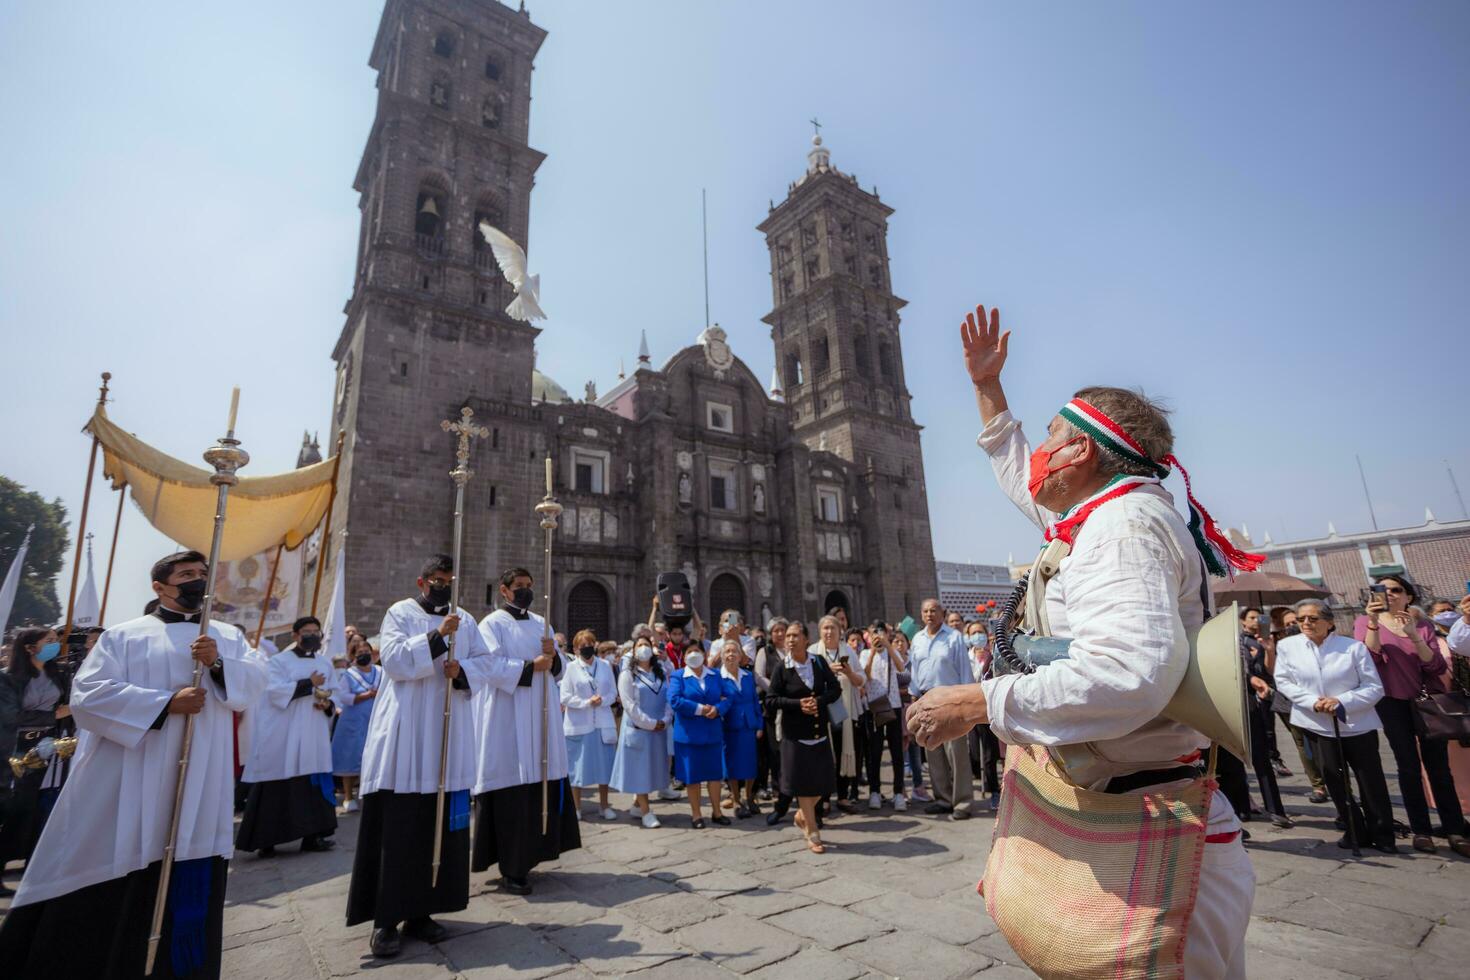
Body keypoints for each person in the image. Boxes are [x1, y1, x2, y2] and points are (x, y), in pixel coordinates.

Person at [909, 306, 1258, 977]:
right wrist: (988, 389)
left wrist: (979, 701)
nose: (1039, 452)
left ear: (1083, 452)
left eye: (1049, 437)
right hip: (1127, 808)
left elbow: (1129, 674)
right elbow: (1021, 477)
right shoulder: (1094, 516)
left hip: (1153, 828)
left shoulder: (1121, 528)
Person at [0, 550, 269, 979]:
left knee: (191, 871)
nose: (197, 580)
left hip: (201, 781)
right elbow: (88, 698)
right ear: (160, 587)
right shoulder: (124, 637)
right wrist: (166, 704)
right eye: (186, 574)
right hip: (134, 776)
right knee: (131, 880)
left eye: (202, 573)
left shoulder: (229, 636)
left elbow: (255, 683)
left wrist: (217, 663)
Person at [346, 554, 496, 959]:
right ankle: (385, 919)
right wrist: (435, 638)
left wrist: (460, 671)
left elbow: (485, 663)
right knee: (399, 826)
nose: (443, 586)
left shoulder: (465, 617)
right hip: (406, 736)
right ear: (421, 581)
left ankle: (423, 911)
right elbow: (392, 661)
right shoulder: (400, 613)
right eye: (436, 579)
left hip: (447, 736)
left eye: (449, 579)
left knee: (439, 825)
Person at [472, 567, 580, 896]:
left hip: (541, 717)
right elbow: (487, 665)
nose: (525, 591)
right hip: (508, 719)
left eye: (529, 586)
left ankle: (533, 855)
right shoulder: (491, 625)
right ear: (503, 590)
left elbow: (559, 667)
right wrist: (532, 666)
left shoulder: (541, 624)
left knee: (538, 787)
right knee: (512, 791)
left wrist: (553, 659)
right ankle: (511, 866)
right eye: (519, 586)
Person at [1357, 574, 1469, 856]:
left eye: (1396, 590)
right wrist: (1372, 622)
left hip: (1426, 701)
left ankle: (1454, 828)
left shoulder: (1422, 625)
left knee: (1439, 767)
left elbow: (1434, 666)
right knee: (1407, 766)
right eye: (1383, 590)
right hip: (1391, 702)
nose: (1390, 594)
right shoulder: (1363, 623)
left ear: (1409, 596)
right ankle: (1421, 830)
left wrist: (1414, 635)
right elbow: (1368, 659)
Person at [1274, 599, 1396, 852]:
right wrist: (1311, 702)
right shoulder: (1287, 646)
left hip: (1357, 724)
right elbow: (1284, 681)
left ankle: (1383, 833)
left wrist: (1341, 701)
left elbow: (1373, 687)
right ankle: (1354, 830)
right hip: (1316, 724)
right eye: (1301, 619)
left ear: (1329, 622)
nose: (1306, 623)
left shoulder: (1352, 648)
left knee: (1370, 781)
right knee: (1334, 780)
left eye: (1313, 618)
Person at [236, 616, 339, 857]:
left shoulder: (325, 663)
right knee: (277, 785)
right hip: (285, 733)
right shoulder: (279, 662)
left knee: (311, 781)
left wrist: (327, 705)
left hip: (313, 731)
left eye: (316, 631)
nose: (312, 635)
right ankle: (267, 840)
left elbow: (335, 693)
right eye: (307, 631)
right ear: (295, 635)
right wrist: (308, 683)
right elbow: (274, 692)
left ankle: (314, 837)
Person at [0, 627, 72, 889]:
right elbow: (11, 716)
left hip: (46, 748)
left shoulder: (58, 674)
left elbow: (67, 705)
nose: (55, 645)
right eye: (49, 641)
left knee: (31, 807)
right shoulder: (8, 679)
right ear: (29, 647)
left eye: (56, 640)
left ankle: (29, 863)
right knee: (10, 807)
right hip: (14, 748)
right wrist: (54, 716)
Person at [767, 620, 842, 853]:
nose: (790, 639)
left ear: (806, 639)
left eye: (795, 635)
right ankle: (813, 833)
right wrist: (798, 704)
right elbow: (771, 700)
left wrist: (818, 702)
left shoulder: (818, 662)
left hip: (819, 732)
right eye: (787, 636)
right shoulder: (782, 668)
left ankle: (802, 815)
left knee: (822, 782)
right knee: (803, 786)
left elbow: (835, 689)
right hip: (795, 735)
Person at [909, 598, 974, 819]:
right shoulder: (917, 639)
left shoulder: (954, 638)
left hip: (951, 701)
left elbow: (965, 671)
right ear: (921, 614)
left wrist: (966, 705)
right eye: (926, 611)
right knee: (933, 752)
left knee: (956, 754)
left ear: (942, 613)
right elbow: (915, 672)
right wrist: (914, 698)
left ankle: (962, 802)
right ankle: (943, 799)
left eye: (934, 610)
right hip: (926, 701)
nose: (929, 614)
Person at [610, 636, 674, 827]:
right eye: (640, 645)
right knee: (640, 772)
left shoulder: (660, 670)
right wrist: (650, 723)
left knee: (652, 769)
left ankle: (638, 804)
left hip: (659, 729)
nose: (644, 648)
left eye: (647, 645)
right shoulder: (627, 675)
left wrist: (665, 719)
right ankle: (646, 812)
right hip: (639, 729)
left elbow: (668, 698)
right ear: (633, 650)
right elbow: (630, 706)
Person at [1265, 607, 1327, 802]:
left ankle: (1336, 782)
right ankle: (1317, 784)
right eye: (1289, 623)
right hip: (1287, 702)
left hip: (1318, 701)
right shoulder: (1276, 642)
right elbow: (1273, 672)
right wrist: (1269, 650)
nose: (1294, 626)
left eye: (1296, 622)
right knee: (1303, 744)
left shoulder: (1316, 641)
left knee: (1324, 743)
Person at [668, 637, 730, 827]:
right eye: (689, 652)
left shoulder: (715, 674)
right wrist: (701, 709)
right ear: (684, 656)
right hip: (688, 735)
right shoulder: (678, 676)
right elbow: (675, 700)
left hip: (712, 733)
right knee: (692, 776)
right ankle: (696, 815)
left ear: (704, 654)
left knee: (714, 775)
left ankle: (717, 812)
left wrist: (718, 709)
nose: (694, 654)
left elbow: (728, 698)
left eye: (697, 650)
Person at [561, 628, 619, 821]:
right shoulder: (571, 668)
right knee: (577, 769)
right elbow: (565, 696)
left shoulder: (604, 665)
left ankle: (604, 806)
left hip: (601, 723)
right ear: (576, 649)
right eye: (582, 646)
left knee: (604, 767)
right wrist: (586, 703)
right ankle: (576, 808)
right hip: (579, 724)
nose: (586, 648)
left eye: (589, 645)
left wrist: (601, 700)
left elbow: (613, 692)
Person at [810, 615, 867, 812]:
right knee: (824, 754)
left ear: (839, 631)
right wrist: (827, 673)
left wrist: (849, 672)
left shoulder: (848, 651)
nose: (828, 632)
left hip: (844, 708)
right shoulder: (812, 653)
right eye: (825, 628)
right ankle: (824, 798)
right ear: (819, 631)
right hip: (821, 710)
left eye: (832, 628)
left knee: (844, 750)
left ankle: (843, 796)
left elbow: (861, 680)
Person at [860, 623, 907, 811]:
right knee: (875, 752)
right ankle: (875, 791)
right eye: (874, 634)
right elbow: (865, 676)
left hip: (893, 705)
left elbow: (901, 668)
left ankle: (898, 792)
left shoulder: (891, 651)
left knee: (896, 751)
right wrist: (872, 652)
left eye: (881, 634)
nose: (877, 638)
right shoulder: (864, 654)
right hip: (874, 707)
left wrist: (888, 647)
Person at [332, 634, 381, 812]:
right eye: (359, 652)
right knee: (350, 758)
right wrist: (365, 696)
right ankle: (348, 796)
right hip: (354, 721)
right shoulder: (349, 675)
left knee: (374, 759)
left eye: (366, 651)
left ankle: (369, 796)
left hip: (374, 720)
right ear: (353, 655)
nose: (364, 654)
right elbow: (342, 696)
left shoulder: (380, 672)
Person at [720, 638, 764, 817]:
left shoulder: (747, 676)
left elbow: (755, 701)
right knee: (732, 764)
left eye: (734, 651)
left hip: (749, 724)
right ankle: (736, 799)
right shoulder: (718, 677)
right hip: (729, 726)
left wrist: (759, 724)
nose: (731, 654)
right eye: (727, 652)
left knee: (751, 763)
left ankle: (749, 797)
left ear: (740, 656)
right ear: (722, 656)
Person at [962, 620, 1002, 810]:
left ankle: (995, 790)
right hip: (969, 709)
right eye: (973, 632)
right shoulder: (965, 656)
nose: (977, 635)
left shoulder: (994, 655)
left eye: (980, 631)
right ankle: (980, 781)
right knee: (974, 753)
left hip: (987, 709)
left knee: (989, 754)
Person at [753, 618, 787, 800]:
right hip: (772, 706)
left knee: (787, 747)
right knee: (772, 748)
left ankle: (785, 784)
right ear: (770, 634)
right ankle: (774, 786)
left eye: (783, 630)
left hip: (790, 705)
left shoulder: (792, 652)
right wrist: (776, 690)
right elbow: (758, 677)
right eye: (776, 631)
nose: (780, 634)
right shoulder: (764, 652)